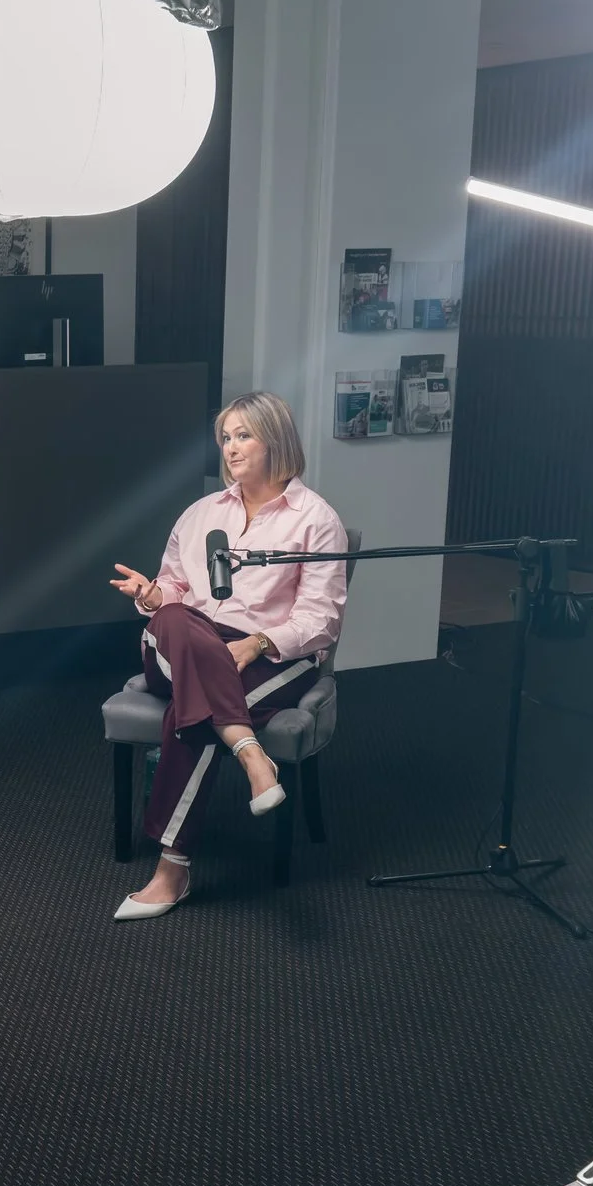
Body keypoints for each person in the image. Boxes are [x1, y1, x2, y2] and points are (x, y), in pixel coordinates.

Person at [106, 391, 348, 919]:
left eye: (243, 435)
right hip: (182, 639)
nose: (231, 449)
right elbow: (173, 590)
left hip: (271, 654)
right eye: (225, 438)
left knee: (194, 710)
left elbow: (321, 619)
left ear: (275, 440)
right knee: (173, 621)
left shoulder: (315, 519)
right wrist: (151, 596)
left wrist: (258, 641)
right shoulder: (201, 513)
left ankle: (172, 869)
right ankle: (250, 753)